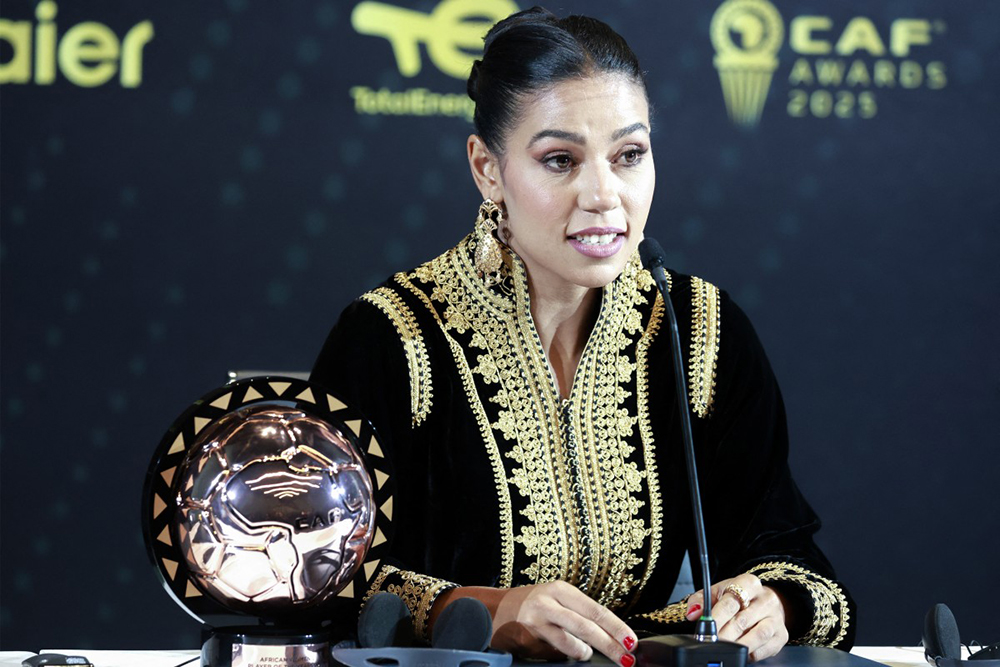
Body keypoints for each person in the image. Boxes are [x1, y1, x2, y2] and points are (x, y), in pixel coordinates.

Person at [311, 7, 855, 665]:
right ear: (487, 168)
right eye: (560, 160)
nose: (604, 194)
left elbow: (789, 552)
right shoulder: (391, 339)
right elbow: (325, 578)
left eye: (629, 154)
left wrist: (774, 602)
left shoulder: (700, 328)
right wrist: (492, 610)